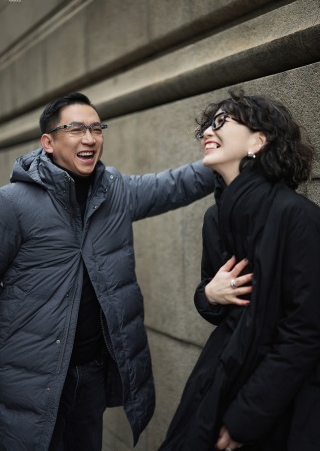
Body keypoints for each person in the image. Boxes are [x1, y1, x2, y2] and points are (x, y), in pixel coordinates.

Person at [0, 92, 216, 451]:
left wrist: (231, 156)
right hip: (29, 379)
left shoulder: (115, 191)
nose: (90, 138)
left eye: (96, 128)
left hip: (91, 374)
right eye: (76, 129)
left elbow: (175, 185)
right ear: (48, 143)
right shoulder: (12, 203)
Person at [159, 89, 320, 451]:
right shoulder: (216, 218)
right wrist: (209, 295)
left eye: (221, 122)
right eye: (206, 126)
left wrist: (246, 417)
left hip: (279, 400)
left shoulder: (297, 217)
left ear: (258, 141)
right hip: (221, 375)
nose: (207, 133)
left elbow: (305, 332)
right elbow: (214, 302)